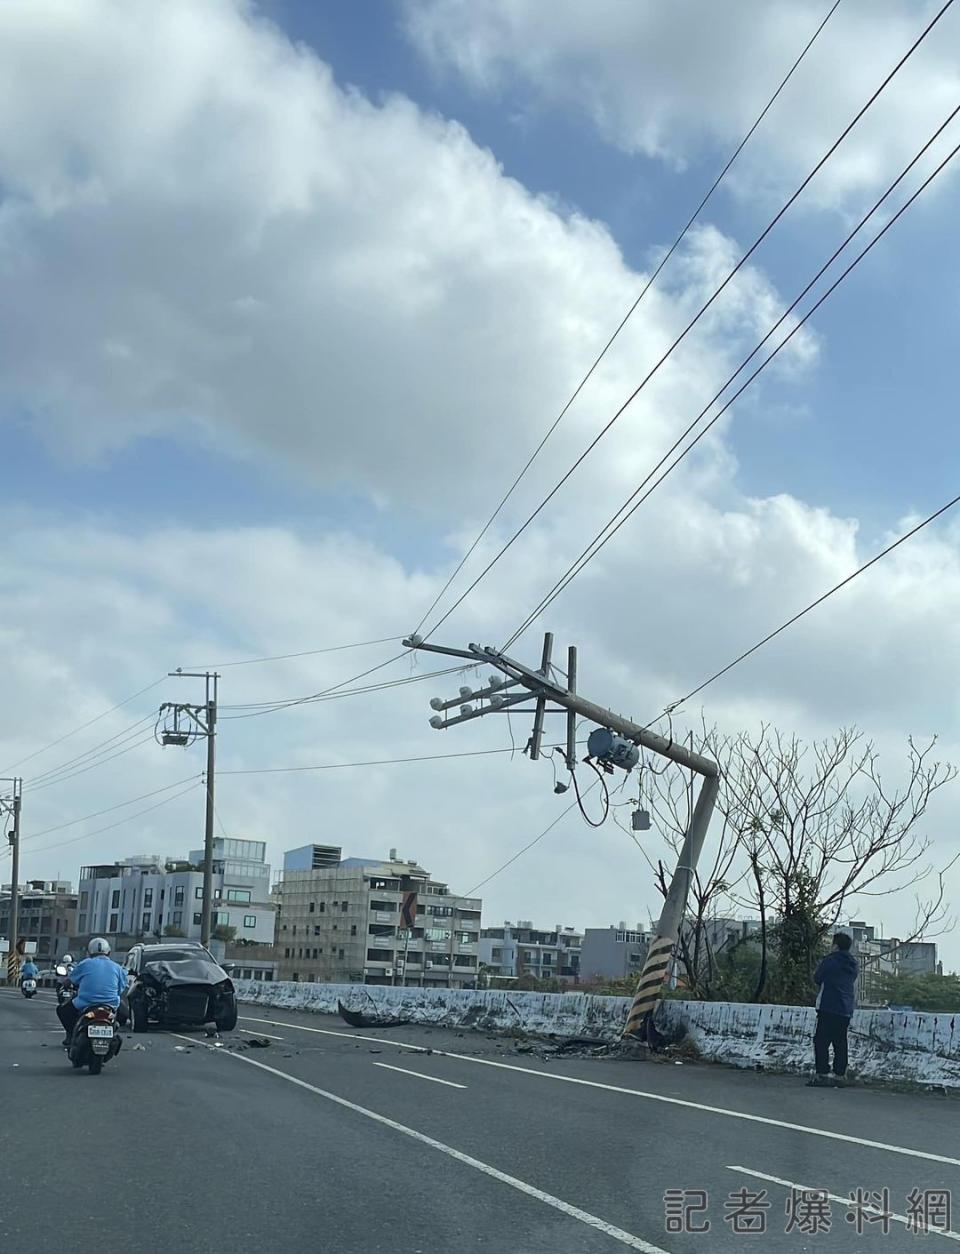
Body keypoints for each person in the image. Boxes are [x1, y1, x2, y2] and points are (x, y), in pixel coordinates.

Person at [56, 938, 128, 1047]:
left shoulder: (85, 964)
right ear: (109, 952)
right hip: (111, 1004)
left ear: (89, 953)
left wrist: (65, 985)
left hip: (86, 1002)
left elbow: (70, 980)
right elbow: (121, 988)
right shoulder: (117, 968)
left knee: (62, 1011)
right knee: (124, 1014)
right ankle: (113, 1029)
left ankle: (71, 1035)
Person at [808, 932, 858, 1088]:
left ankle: (822, 1074)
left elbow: (817, 978)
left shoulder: (830, 960)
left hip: (828, 1006)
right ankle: (839, 1075)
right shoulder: (853, 963)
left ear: (835, 945)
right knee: (840, 1042)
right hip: (846, 1008)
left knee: (821, 1041)